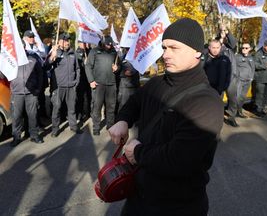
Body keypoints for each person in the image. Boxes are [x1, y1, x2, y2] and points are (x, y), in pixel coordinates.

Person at [109, 18, 224, 216]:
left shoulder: (207, 102)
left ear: (197, 51)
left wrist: (137, 153)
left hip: (177, 205)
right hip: (138, 197)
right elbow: (135, 102)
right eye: (164, 47)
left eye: (174, 48)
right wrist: (123, 120)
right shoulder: (156, 83)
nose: (165, 54)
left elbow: (180, 159)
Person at [3, 40, 44, 147]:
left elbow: (40, 74)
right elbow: (2, 76)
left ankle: (34, 135)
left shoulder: (33, 58)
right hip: (17, 93)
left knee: (32, 115)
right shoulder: (10, 60)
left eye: (21, 46)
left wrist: (38, 89)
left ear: (24, 47)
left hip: (31, 93)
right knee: (16, 116)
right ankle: (16, 137)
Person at [45, 33, 81, 137]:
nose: (67, 42)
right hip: (58, 87)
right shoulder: (55, 52)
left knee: (72, 108)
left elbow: (77, 69)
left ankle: (73, 126)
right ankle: (55, 129)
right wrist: (52, 56)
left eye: (68, 40)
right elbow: (46, 66)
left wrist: (76, 82)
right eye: (65, 40)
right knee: (57, 108)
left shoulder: (72, 53)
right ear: (59, 42)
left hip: (71, 86)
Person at [85, 35, 120, 135]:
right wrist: (91, 81)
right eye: (107, 45)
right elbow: (88, 66)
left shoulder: (114, 52)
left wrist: (117, 69)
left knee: (111, 107)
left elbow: (119, 66)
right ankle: (96, 127)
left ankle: (110, 126)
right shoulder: (94, 51)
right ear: (103, 43)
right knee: (97, 107)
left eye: (110, 44)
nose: (109, 46)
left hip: (111, 84)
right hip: (98, 84)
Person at [216, 22, 239, 126]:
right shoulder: (215, 44)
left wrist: (227, 31)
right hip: (218, 77)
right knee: (218, 98)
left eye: (225, 32)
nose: (223, 33)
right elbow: (214, 50)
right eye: (221, 31)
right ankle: (218, 118)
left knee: (232, 98)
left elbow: (233, 42)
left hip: (231, 77)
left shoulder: (231, 47)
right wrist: (220, 38)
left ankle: (231, 117)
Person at [117, 47, 140, 112]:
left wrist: (133, 71)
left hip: (135, 85)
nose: (128, 51)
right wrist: (121, 72)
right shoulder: (121, 58)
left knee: (135, 106)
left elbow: (140, 68)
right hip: (125, 87)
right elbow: (117, 71)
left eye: (130, 49)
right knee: (123, 106)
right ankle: (120, 120)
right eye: (127, 49)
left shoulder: (137, 57)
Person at [236, 43, 255, 118]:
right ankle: (235, 111)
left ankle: (239, 111)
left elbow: (253, 68)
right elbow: (233, 67)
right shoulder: (237, 57)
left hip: (248, 81)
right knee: (237, 96)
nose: (244, 49)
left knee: (243, 97)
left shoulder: (251, 57)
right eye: (243, 47)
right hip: (239, 80)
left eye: (246, 48)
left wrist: (251, 77)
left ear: (249, 49)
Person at [75, 40, 91, 121]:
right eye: (83, 42)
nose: (85, 44)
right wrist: (83, 63)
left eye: (85, 42)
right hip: (81, 79)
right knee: (80, 98)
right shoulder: (76, 53)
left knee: (90, 97)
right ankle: (79, 114)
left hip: (89, 79)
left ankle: (89, 113)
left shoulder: (89, 52)